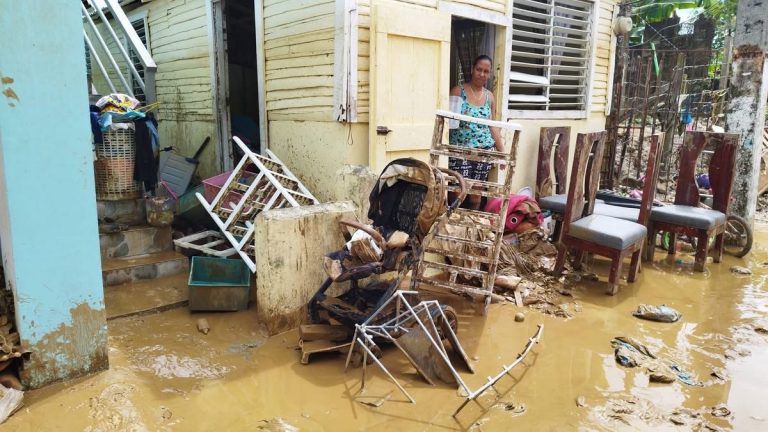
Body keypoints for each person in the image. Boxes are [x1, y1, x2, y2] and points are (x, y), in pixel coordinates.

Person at [448, 55, 504, 209]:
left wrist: (502, 152)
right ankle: (452, 225)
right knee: (457, 191)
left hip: (483, 152)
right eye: (479, 69)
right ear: (472, 69)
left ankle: (472, 228)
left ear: (490, 73)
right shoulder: (458, 91)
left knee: (476, 193)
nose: (482, 74)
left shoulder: (489, 97)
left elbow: (492, 126)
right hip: (460, 149)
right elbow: (449, 122)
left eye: (486, 71)